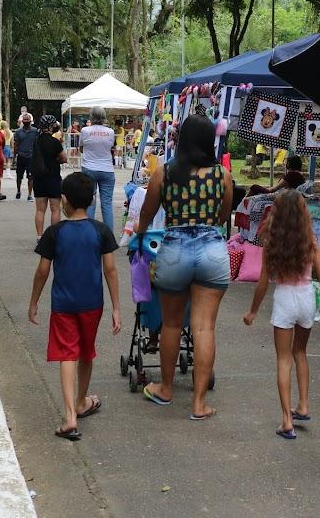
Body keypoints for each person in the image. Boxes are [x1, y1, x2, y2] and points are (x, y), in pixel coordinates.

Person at [136, 115, 233, 421]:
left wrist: (138, 236)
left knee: (172, 324)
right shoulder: (223, 175)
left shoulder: (164, 174)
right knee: (204, 327)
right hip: (212, 250)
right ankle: (199, 403)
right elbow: (222, 217)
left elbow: (147, 215)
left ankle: (165, 388)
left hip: (174, 250)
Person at [29, 171, 122, 441]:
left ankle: (70, 415)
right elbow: (111, 270)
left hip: (63, 304)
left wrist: (34, 301)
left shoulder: (54, 233)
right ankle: (82, 401)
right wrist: (116, 307)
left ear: (65, 200)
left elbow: (43, 271)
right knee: (85, 352)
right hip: (93, 303)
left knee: (67, 354)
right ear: (92, 199)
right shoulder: (101, 230)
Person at [243, 190, 320, 440]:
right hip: (306, 299)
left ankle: (287, 421)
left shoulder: (272, 242)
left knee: (283, 359)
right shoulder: (310, 240)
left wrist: (252, 312)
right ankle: (303, 405)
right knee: (300, 353)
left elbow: (262, 284)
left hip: (284, 299)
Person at [79, 107, 117, 230]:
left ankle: (90, 233)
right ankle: (109, 236)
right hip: (107, 169)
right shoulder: (110, 132)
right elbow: (110, 147)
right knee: (107, 203)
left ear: (91, 116)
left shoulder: (85, 130)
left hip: (89, 168)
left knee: (90, 202)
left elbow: (81, 148)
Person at [33, 115, 68, 240]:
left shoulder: (36, 141)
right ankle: (54, 237)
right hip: (53, 178)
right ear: (51, 125)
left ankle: (39, 236)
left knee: (40, 210)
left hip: (38, 179)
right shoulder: (55, 142)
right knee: (55, 209)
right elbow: (64, 158)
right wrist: (57, 159)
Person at [14, 113, 38, 201]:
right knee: (19, 176)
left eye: (28, 120)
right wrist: (14, 156)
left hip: (31, 157)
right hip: (21, 156)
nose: (26, 122)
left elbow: (37, 144)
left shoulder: (35, 131)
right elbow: (16, 144)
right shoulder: (18, 132)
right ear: (22, 122)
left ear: (31, 122)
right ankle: (18, 191)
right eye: (25, 120)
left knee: (30, 176)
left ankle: (29, 194)